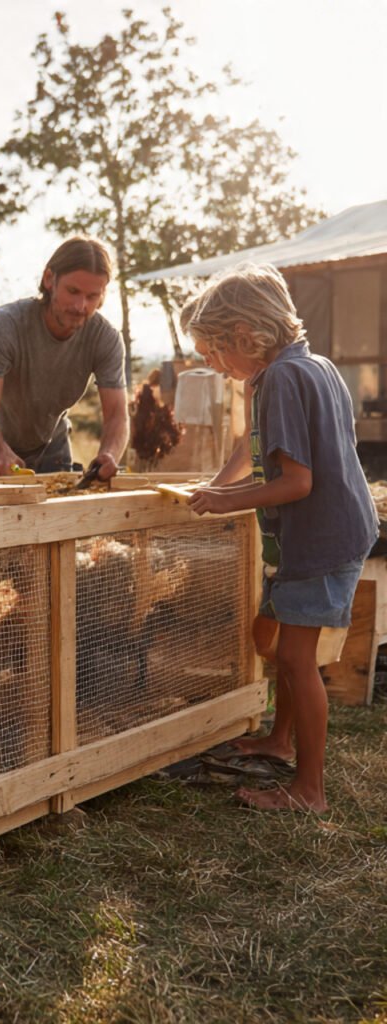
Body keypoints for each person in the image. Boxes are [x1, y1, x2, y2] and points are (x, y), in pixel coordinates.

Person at [183, 265, 377, 813]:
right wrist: (218, 483)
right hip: (326, 531)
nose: (213, 365)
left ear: (247, 335)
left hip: (321, 536)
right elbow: (257, 443)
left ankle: (308, 790)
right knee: (279, 643)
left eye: (216, 351)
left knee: (293, 656)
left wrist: (225, 502)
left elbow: (298, 481)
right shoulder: (306, 366)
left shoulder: (282, 379)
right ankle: (280, 739)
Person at [0, 236, 129, 483]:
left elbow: (117, 415)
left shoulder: (106, 338)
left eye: (92, 296)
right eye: (73, 291)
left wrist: (109, 454)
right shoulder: (7, 324)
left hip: (52, 451)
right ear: (49, 279)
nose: (80, 306)